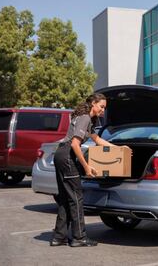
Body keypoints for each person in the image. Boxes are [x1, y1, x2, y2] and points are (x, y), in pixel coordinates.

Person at [50, 93, 114, 247]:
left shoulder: (87, 120)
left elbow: (97, 140)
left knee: (66, 198)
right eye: (101, 107)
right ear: (93, 103)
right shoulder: (85, 118)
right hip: (67, 156)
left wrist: (118, 149)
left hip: (61, 155)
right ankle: (79, 238)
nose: (103, 111)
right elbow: (74, 144)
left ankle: (59, 237)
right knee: (76, 197)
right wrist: (86, 166)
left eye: (104, 108)